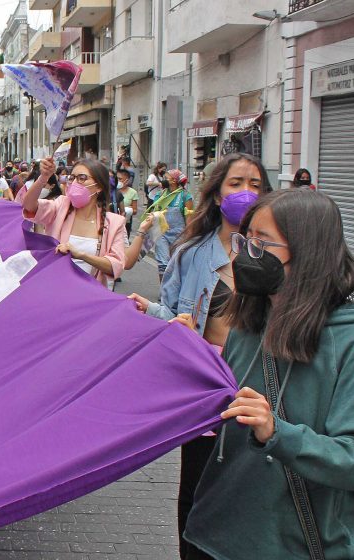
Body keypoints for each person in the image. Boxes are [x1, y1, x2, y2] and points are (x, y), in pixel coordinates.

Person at [182, 189, 354, 560]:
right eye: (245, 241)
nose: (245, 255)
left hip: (295, 545)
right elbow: (222, 411)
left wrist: (277, 432)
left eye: (262, 246)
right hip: (212, 536)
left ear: (308, 255)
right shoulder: (246, 320)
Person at [125, 153, 273, 556]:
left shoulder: (277, 252)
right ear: (217, 191)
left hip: (262, 383)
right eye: (237, 183)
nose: (246, 193)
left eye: (256, 185)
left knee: (253, 484)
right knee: (199, 486)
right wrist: (154, 312)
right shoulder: (191, 253)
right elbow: (175, 315)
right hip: (208, 387)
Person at [22, 158, 127, 287]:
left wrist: (81, 255)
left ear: (99, 186)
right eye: (72, 178)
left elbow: (116, 266)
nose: (75, 183)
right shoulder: (61, 206)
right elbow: (28, 206)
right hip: (54, 289)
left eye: (82, 178)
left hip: (90, 296)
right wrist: (43, 178)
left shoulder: (114, 222)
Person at [151, 168, 194, 279]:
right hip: (162, 234)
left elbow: (189, 217)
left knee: (176, 264)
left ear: (174, 180)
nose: (163, 180)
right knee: (163, 264)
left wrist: (189, 237)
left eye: (166, 178)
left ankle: (173, 291)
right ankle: (164, 293)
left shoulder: (185, 196)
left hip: (179, 235)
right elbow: (154, 213)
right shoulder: (160, 195)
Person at [115, 168, 140, 235]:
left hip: (126, 223)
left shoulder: (133, 192)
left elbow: (134, 211)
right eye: (116, 178)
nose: (117, 181)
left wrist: (125, 209)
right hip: (112, 222)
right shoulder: (112, 191)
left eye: (120, 179)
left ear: (127, 181)